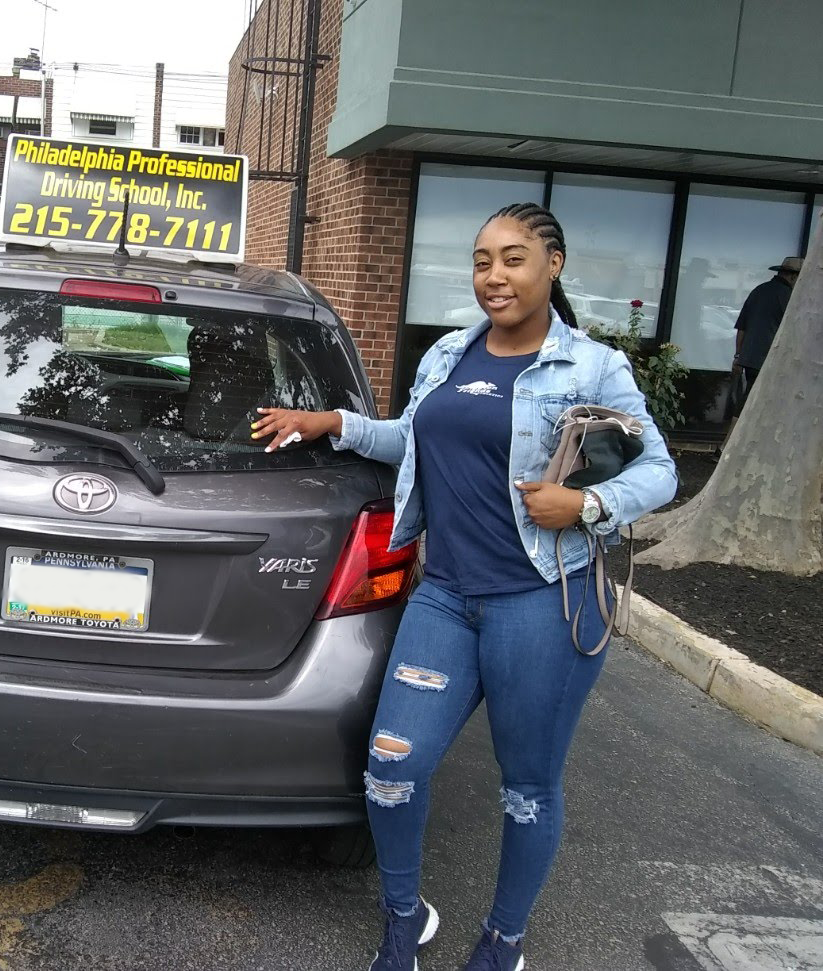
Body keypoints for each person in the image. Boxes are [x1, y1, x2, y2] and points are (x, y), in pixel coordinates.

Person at [251, 203, 677, 971]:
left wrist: (585, 503)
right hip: (444, 595)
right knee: (390, 768)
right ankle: (402, 920)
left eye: (513, 258)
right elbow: (410, 439)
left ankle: (502, 942)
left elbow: (659, 469)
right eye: (482, 260)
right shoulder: (450, 352)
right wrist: (332, 424)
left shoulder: (591, 366)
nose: (493, 276)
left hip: (541, 602)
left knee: (527, 788)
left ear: (553, 264)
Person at [732, 256, 801, 398]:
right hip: (771, 358)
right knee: (761, 400)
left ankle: (736, 420)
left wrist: (738, 355)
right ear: (794, 277)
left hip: (749, 358)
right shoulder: (790, 297)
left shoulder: (758, 290)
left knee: (748, 396)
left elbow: (742, 327)